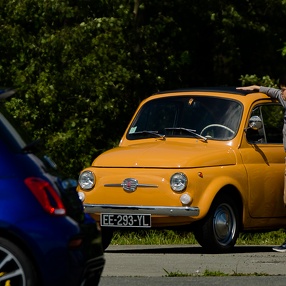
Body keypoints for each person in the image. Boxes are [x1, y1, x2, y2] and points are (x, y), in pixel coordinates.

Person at [237, 74, 286, 252]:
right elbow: (273, 92)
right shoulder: (283, 99)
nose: (283, 93)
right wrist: (256, 88)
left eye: (285, 90)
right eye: (283, 89)